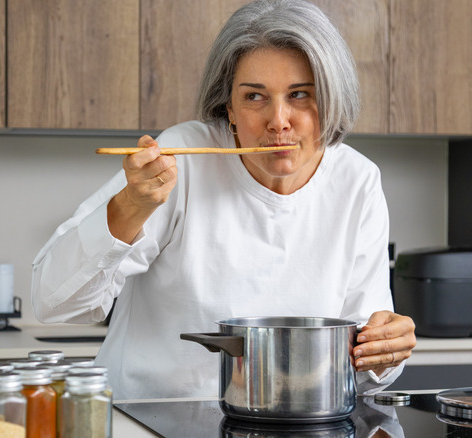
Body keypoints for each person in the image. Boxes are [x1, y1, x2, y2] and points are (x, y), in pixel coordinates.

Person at [32, 0, 416, 400]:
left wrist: (386, 352)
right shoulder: (180, 157)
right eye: (254, 97)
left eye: (300, 94)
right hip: (146, 417)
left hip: (284, 424)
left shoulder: (358, 181)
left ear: (332, 97)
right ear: (228, 108)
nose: (278, 120)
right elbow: (54, 303)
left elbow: (364, 364)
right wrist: (131, 206)